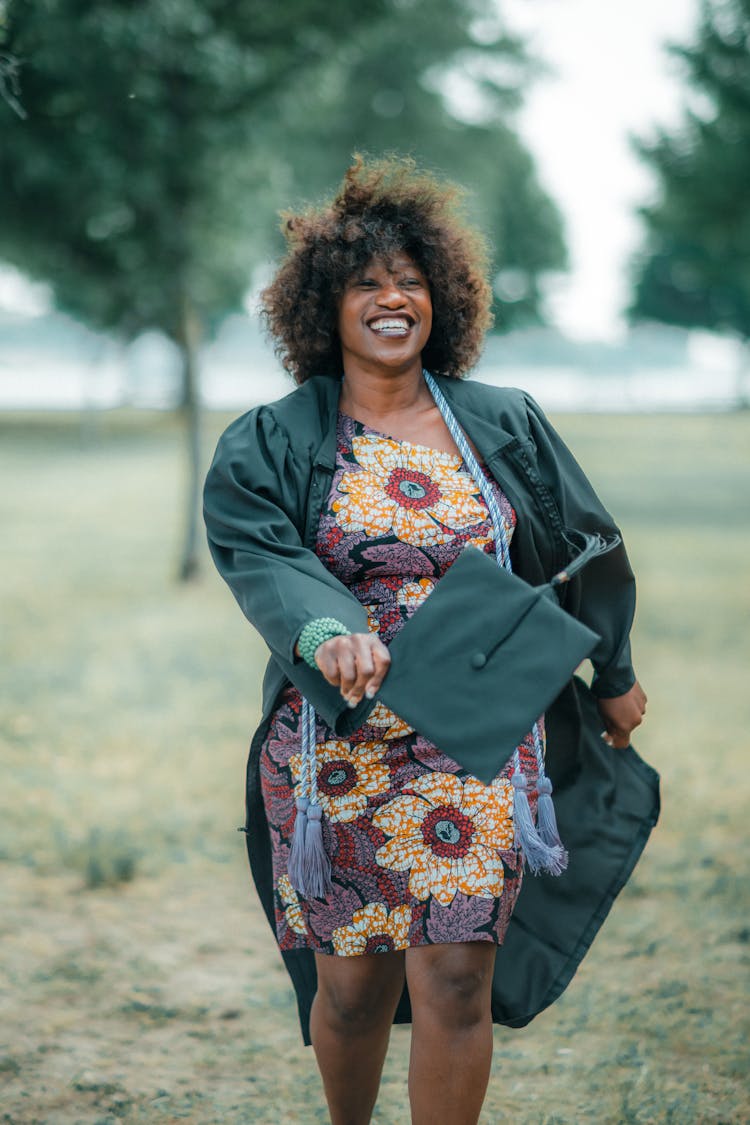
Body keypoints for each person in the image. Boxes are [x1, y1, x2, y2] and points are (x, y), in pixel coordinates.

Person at [203, 156, 654, 1125]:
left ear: (441, 297)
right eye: (366, 284)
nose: (392, 298)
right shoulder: (272, 440)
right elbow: (261, 549)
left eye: (410, 280)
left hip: (478, 733)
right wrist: (328, 629)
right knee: (355, 990)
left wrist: (611, 666)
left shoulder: (504, 422)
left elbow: (585, 540)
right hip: (339, 747)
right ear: (323, 308)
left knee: (455, 977)